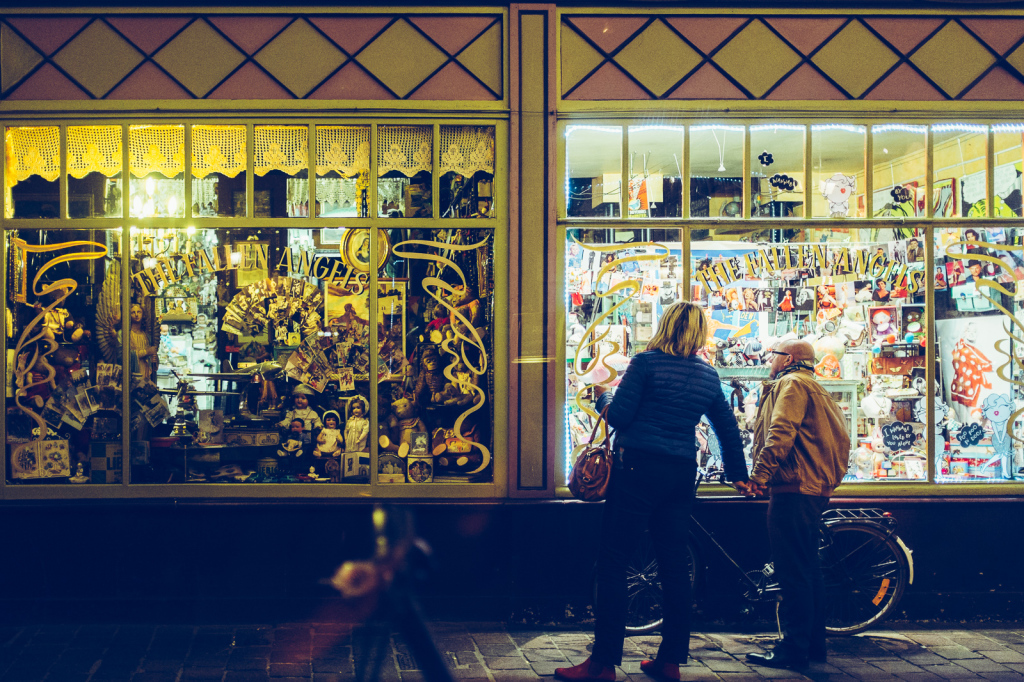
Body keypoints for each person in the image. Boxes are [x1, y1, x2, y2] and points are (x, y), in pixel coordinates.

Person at [555, 302, 752, 682]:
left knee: (614, 563)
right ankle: (670, 660)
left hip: (638, 471)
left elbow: (621, 417)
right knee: (675, 567)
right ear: (699, 332)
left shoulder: (645, 364)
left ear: (665, 326)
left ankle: (602, 664)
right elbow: (727, 429)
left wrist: (602, 395)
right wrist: (738, 475)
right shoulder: (708, 375)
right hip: (680, 474)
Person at [744, 340, 851, 670]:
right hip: (812, 488)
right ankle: (812, 645)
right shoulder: (814, 387)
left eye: (772, 354)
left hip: (794, 488)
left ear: (788, 358)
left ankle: (793, 649)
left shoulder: (791, 384)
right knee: (808, 571)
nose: (768, 359)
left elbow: (781, 432)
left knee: (792, 572)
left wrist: (760, 475)